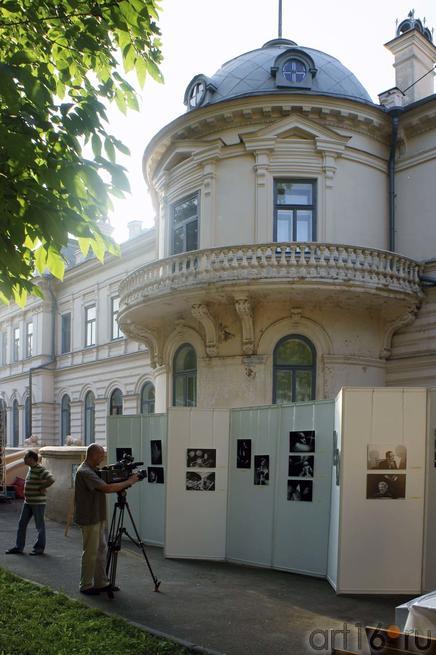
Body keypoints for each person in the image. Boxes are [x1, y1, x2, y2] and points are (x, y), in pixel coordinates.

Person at [74, 443, 139, 595]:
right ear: (94, 455)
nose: (103, 457)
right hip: (89, 517)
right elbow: (107, 488)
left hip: (98, 516)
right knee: (90, 552)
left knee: (101, 549)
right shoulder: (85, 472)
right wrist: (130, 481)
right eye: (101, 454)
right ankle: (85, 585)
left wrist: (121, 474)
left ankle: (101, 582)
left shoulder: (94, 470)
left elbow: (108, 478)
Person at [6, 450, 55, 555]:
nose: (23, 459)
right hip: (28, 502)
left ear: (32, 459)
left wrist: (42, 487)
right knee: (22, 524)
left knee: (39, 526)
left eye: (25, 457)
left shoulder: (40, 469)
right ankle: (19, 547)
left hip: (38, 503)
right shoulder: (30, 469)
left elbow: (51, 479)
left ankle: (39, 549)